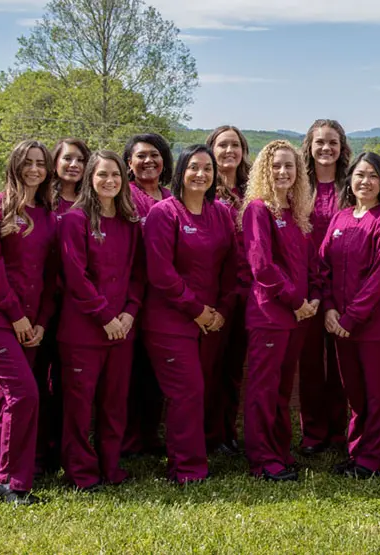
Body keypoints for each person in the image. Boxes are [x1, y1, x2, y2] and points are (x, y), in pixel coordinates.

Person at [0, 140, 58, 505]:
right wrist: (16, 316)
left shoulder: (48, 214)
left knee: (11, 398)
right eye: (27, 162)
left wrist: (40, 322)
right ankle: (13, 482)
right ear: (14, 166)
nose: (34, 169)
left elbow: (50, 275)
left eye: (40, 163)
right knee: (24, 393)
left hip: (30, 322)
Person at [143, 144, 236, 484]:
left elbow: (232, 265)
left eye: (208, 168)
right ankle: (186, 469)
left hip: (211, 321)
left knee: (201, 390)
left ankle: (195, 455)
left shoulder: (221, 213)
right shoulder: (164, 213)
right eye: (194, 167)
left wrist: (221, 310)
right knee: (187, 391)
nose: (201, 174)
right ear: (181, 171)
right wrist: (197, 310)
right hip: (170, 321)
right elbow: (161, 273)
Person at [57, 150, 143, 490]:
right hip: (84, 331)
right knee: (79, 407)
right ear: (90, 178)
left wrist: (129, 313)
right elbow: (75, 276)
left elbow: (138, 274)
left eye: (116, 174)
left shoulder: (129, 222)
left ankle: (110, 467)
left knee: (114, 404)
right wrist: (105, 316)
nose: (110, 180)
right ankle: (81, 472)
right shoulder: (75, 220)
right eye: (102, 174)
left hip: (122, 330)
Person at [319, 152, 380, 478]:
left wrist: (351, 317)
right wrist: (330, 308)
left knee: (377, 394)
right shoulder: (340, 219)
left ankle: (372, 459)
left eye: (372, 176)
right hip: (341, 324)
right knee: (354, 392)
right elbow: (323, 266)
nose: (365, 182)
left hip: (375, 327)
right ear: (350, 180)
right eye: (359, 175)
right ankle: (356, 451)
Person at [242, 140, 320, 481]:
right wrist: (296, 302)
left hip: (297, 317)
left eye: (289, 165)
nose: (283, 172)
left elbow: (309, 264)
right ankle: (262, 460)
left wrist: (314, 298)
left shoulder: (297, 212)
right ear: (264, 170)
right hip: (270, 316)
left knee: (282, 390)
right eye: (276, 166)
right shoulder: (258, 210)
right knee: (263, 390)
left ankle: (280, 451)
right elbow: (262, 266)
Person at [33, 137, 91, 475]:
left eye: (80, 159)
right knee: (38, 381)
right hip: (41, 306)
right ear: (54, 162)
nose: (73, 165)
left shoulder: (90, 204)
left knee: (68, 386)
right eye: (67, 158)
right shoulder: (41, 202)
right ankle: (39, 454)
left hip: (78, 309)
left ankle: (63, 450)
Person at [298, 119, 352, 456]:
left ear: (342, 147)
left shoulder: (350, 186)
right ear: (310, 146)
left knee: (340, 362)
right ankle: (313, 432)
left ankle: (337, 430)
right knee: (310, 363)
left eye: (332, 142)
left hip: (343, 286)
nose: (326, 148)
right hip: (306, 288)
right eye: (319, 142)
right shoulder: (299, 186)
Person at [122, 132, 173, 457]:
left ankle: (150, 436)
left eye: (155, 155)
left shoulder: (171, 197)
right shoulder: (124, 195)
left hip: (164, 301)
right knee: (130, 373)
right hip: (130, 296)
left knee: (155, 373)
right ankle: (128, 441)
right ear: (129, 163)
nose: (148, 161)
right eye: (141, 156)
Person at [206, 125, 251, 455]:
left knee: (234, 366)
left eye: (235, 144)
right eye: (222, 145)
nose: (229, 151)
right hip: (216, 290)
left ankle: (228, 430)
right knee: (212, 365)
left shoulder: (253, 190)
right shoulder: (204, 189)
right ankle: (210, 432)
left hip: (248, 290)